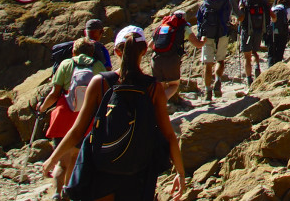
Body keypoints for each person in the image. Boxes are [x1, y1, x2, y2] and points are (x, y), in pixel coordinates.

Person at [43, 26, 186, 201]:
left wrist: (52, 159)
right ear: (144, 50)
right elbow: (169, 135)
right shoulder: (153, 87)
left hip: (102, 169)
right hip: (138, 172)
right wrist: (180, 173)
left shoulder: (100, 82)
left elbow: (77, 131)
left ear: (116, 51)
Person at [37, 37, 105, 201]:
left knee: (62, 162)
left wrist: (42, 108)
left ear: (73, 51)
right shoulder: (98, 66)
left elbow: (55, 93)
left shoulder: (66, 64)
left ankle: (56, 194)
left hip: (63, 117)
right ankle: (68, 193)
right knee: (76, 158)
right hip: (85, 120)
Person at [149, 10, 202, 108]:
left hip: (155, 59)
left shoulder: (162, 26)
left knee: (161, 85)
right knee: (174, 85)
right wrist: (204, 41)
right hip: (171, 60)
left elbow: (150, 45)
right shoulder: (184, 28)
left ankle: (166, 104)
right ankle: (160, 104)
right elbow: (198, 45)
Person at [196, 0, 233, 102]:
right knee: (220, 60)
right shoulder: (227, 0)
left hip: (207, 35)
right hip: (222, 33)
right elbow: (229, 16)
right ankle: (217, 79)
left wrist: (199, 34)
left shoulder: (206, 0)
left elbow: (199, 18)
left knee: (208, 63)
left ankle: (207, 90)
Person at [236, 0, 270, 86]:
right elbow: (269, 12)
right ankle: (256, 66)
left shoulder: (243, 1)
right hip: (259, 30)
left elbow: (240, 16)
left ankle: (249, 79)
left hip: (246, 30)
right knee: (254, 52)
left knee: (247, 56)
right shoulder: (262, 0)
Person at [266, 2, 290, 67]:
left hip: (272, 32)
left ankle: (270, 67)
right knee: (280, 50)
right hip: (283, 33)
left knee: (271, 52)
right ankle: (277, 67)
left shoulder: (273, 8)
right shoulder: (289, 10)